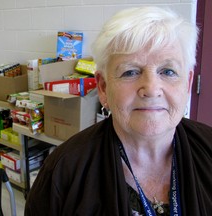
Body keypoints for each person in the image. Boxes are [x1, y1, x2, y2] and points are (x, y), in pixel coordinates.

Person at [25, 6, 212, 216]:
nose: (151, 89)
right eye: (130, 72)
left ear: (187, 84)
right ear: (103, 87)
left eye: (168, 71)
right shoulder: (62, 172)